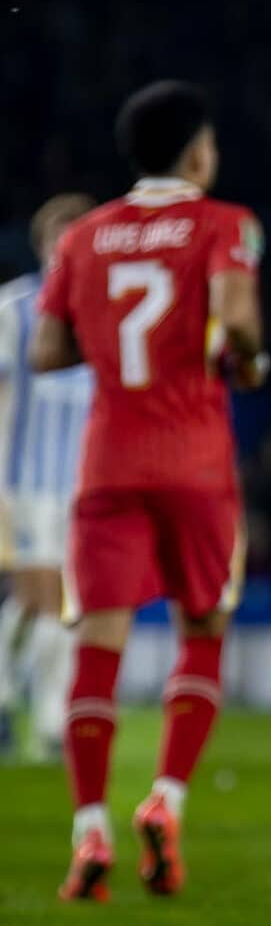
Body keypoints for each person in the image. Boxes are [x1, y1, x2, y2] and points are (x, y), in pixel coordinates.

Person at [32, 85, 266, 902]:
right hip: (194, 460)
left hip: (108, 463)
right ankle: (165, 800)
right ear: (198, 152)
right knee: (202, 626)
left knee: (97, 644)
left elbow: (45, 352)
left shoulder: (84, 236)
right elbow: (237, 325)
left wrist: (110, 343)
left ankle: (87, 827)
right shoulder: (224, 223)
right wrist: (250, 362)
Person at [0, 195, 96, 763]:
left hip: (84, 489)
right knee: (46, 602)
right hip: (25, 483)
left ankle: (25, 705)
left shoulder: (101, 313)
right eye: (58, 240)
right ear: (40, 246)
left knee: (62, 607)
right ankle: (48, 718)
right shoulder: (15, 309)